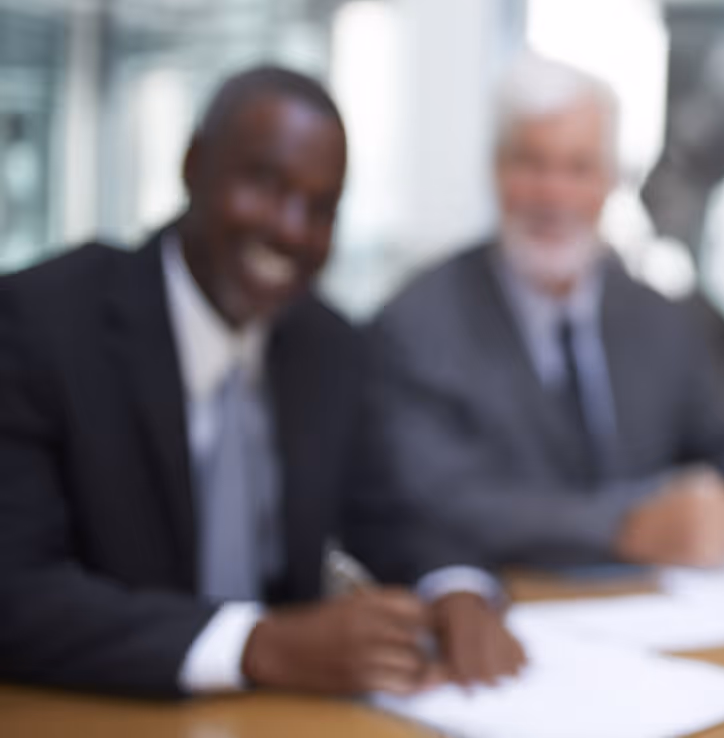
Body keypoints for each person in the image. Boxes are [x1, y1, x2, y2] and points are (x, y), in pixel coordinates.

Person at [0, 67, 523, 699]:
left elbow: (389, 512)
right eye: (265, 184)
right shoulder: (40, 323)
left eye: (321, 209)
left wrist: (457, 587)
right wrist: (259, 644)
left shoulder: (329, 346)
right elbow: (17, 592)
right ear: (193, 165)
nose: (291, 230)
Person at [363, 54, 724, 568]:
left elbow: (719, 428)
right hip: (496, 611)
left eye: (578, 168)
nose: (553, 193)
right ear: (496, 170)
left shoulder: (658, 317)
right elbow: (440, 499)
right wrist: (627, 527)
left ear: (610, 180)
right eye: (531, 163)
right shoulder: (416, 326)